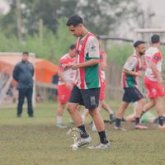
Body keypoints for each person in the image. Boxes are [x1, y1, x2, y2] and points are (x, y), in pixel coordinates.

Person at [66, 15, 110, 149]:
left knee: (93, 111)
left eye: (73, 30)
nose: (72, 33)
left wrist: (77, 66)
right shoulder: (79, 39)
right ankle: (85, 137)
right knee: (71, 107)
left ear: (80, 26)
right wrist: (75, 63)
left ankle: (104, 142)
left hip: (90, 83)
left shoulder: (92, 39)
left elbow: (96, 60)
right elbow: (82, 58)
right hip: (80, 82)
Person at [115, 41, 147, 130]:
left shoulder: (140, 58)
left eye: (144, 48)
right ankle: (137, 123)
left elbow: (140, 68)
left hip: (131, 83)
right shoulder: (133, 58)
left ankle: (117, 124)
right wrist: (136, 74)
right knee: (142, 100)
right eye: (142, 48)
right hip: (128, 83)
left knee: (124, 104)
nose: (144, 50)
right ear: (136, 48)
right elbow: (125, 70)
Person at [141, 34, 165, 129]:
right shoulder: (157, 52)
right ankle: (162, 122)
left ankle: (137, 115)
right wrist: (159, 78)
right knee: (160, 99)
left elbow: (145, 64)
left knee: (153, 101)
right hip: (153, 79)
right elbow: (153, 65)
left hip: (147, 78)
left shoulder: (147, 51)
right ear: (159, 42)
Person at [56, 44, 77, 128]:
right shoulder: (63, 59)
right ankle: (59, 122)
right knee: (62, 103)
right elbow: (59, 72)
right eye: (74, 51)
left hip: (74, 84)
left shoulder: (77, 58)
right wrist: (66, 83)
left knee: (76, 103)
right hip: (64, 84)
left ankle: (72, 119)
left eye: (76, 52)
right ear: (70, 50)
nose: (75, 53)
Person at [13, 52, 34, 117]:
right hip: (22, 86)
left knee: (29, 100)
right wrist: (20, 80)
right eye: (24, 56)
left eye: (26, 56)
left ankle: (30, 114)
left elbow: (32, 73)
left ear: (28, 57)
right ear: (22, 56)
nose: (25, 57)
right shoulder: (18, 65)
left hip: (29, 86)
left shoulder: (31, 65)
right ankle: (19, 113)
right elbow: (14, 74)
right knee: (21, 100)